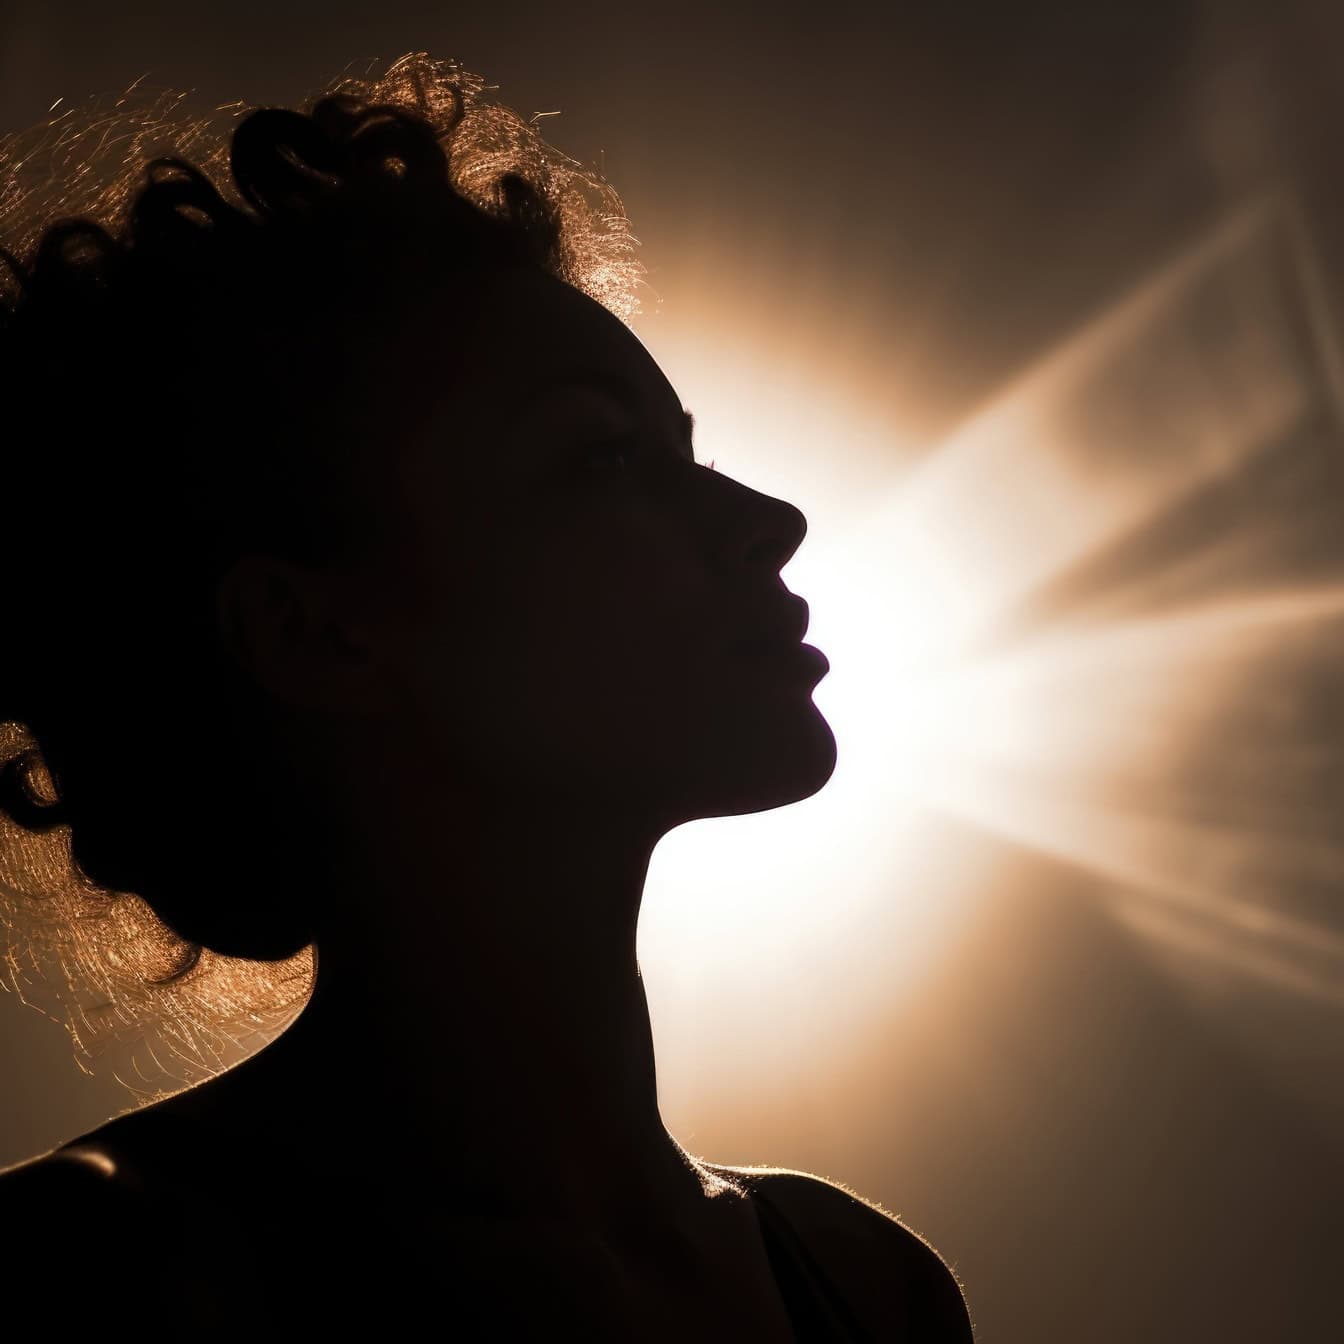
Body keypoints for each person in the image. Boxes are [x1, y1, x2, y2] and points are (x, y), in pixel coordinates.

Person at [0, 51, 974, 1340]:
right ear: (314, 630)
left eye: (689, 451)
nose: (768, 521)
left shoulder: (868, 1288)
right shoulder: (90, 1275)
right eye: (599, 454)